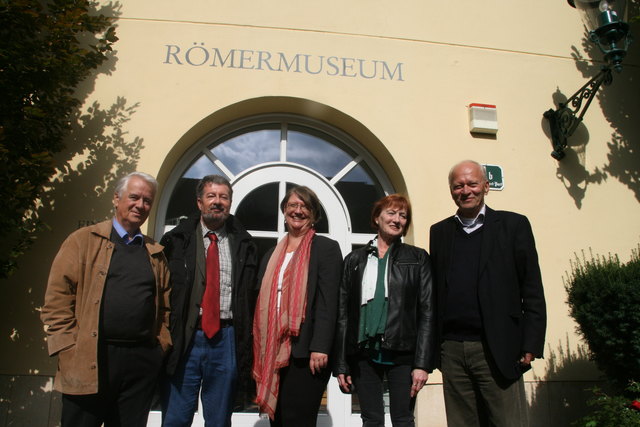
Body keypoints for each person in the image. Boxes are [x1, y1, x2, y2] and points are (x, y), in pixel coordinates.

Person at [40, 171, 171, 427]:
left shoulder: (155, 253)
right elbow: (57, 298)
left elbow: (165, 307)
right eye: (134, 197)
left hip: (140, 363)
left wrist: (159, 349)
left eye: (147, 201)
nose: (140, 205)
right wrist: (67, 346)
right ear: (116, 198)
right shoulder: (83, 241)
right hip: (90, 357)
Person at [429, 160, 547, 427]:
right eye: (458, 185)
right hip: (452, 350)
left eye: (472, 184)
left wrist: (531, 343)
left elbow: (532, 288)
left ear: (486, 186)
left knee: (506, 421)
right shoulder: (440, 232)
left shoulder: (513, 225)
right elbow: (437, 292)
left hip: (497, 347)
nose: (466, 190)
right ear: (451, 190)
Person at [160, 174, 258, 427]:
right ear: (199, 203)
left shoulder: (244, 244)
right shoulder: (176, 241)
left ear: (230, 203)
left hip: (226, 339)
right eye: (211, 196)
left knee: (218, 420)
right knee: (176, 417)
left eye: (224, 197)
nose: (218, 202)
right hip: (186, 338)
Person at [334, 194, 436, 427]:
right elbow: (343, 315)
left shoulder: (418, 258)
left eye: (403, 215)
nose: (397, 219)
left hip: (403, 353)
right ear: (377, 218)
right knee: (371, 420)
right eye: (391, 213)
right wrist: (341, 363)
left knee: (403, 419)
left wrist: (422, 364)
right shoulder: (354, 260)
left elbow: (428, 312)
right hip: (363, 353)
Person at [252, 186, 343, 426]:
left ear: (313, 215)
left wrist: (321, 346)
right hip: (274, 350)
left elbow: (329, 301)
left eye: (305, 206)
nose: (298, 211)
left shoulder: (326, 248)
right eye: (293, 205)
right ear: (284, 210)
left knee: (298, 419)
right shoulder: (272, 254)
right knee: (278, 420)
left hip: (307, 351)